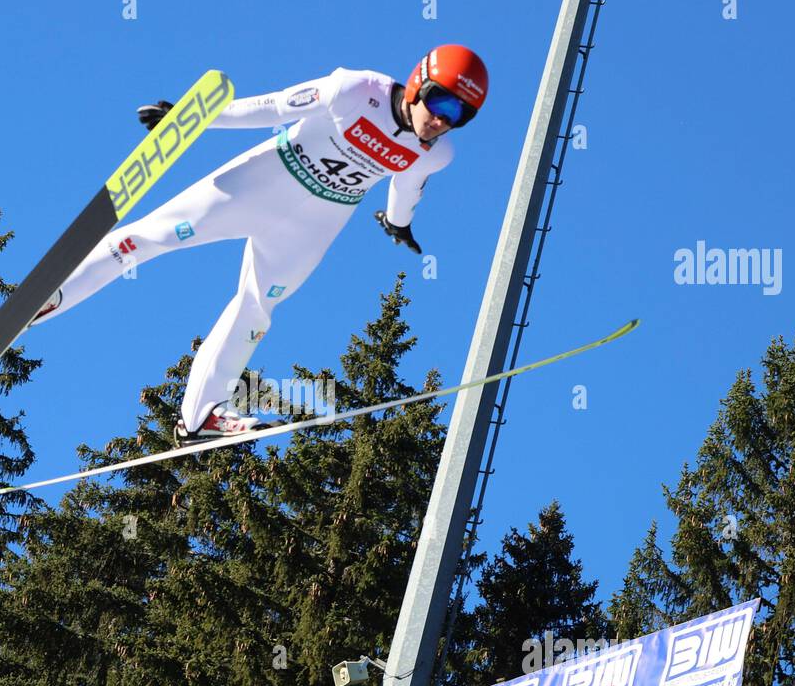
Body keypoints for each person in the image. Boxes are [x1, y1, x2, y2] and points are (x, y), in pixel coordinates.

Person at [27, 46, 489, 441]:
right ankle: (55, 295)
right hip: (262, 184)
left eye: (458, 116)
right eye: (438, 102)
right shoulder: (355, 88)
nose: (440, 120)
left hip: (312, 227)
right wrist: (193, 119)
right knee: (153, 235)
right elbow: (274, 107)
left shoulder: (436, 152)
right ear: (417, 83)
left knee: (257, 309)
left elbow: (407, 185)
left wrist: (397, 223)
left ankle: (201, 416)